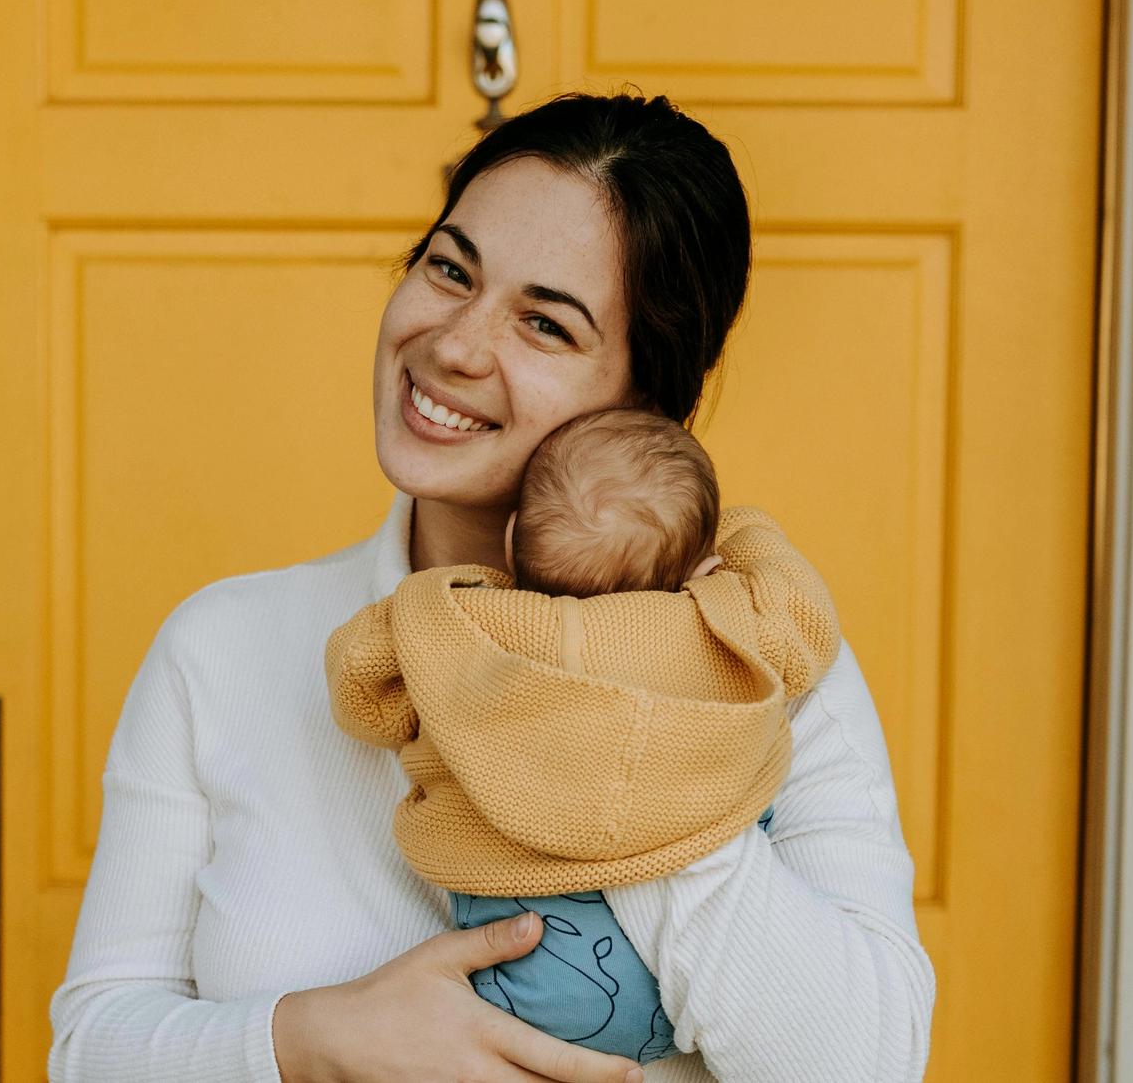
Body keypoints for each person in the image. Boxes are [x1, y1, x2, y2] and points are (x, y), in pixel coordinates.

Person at [48, 92, 934, 1083]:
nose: (456, 345)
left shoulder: (755, 655)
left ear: (649, 399)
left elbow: (866, 1060)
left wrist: (630, 731)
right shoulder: (221, 647)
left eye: (545, 324)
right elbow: (93, 1046)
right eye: (448, 268)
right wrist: (319, 1039)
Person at [324, 407, 843, 1066]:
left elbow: (362, 691)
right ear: (702, 568)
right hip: (679, 1006)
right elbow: (805, 622)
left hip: (521, 980)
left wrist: (454, 592)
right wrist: (742, 529)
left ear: (512, 535)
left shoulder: (462, 626)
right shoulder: (725, 629)